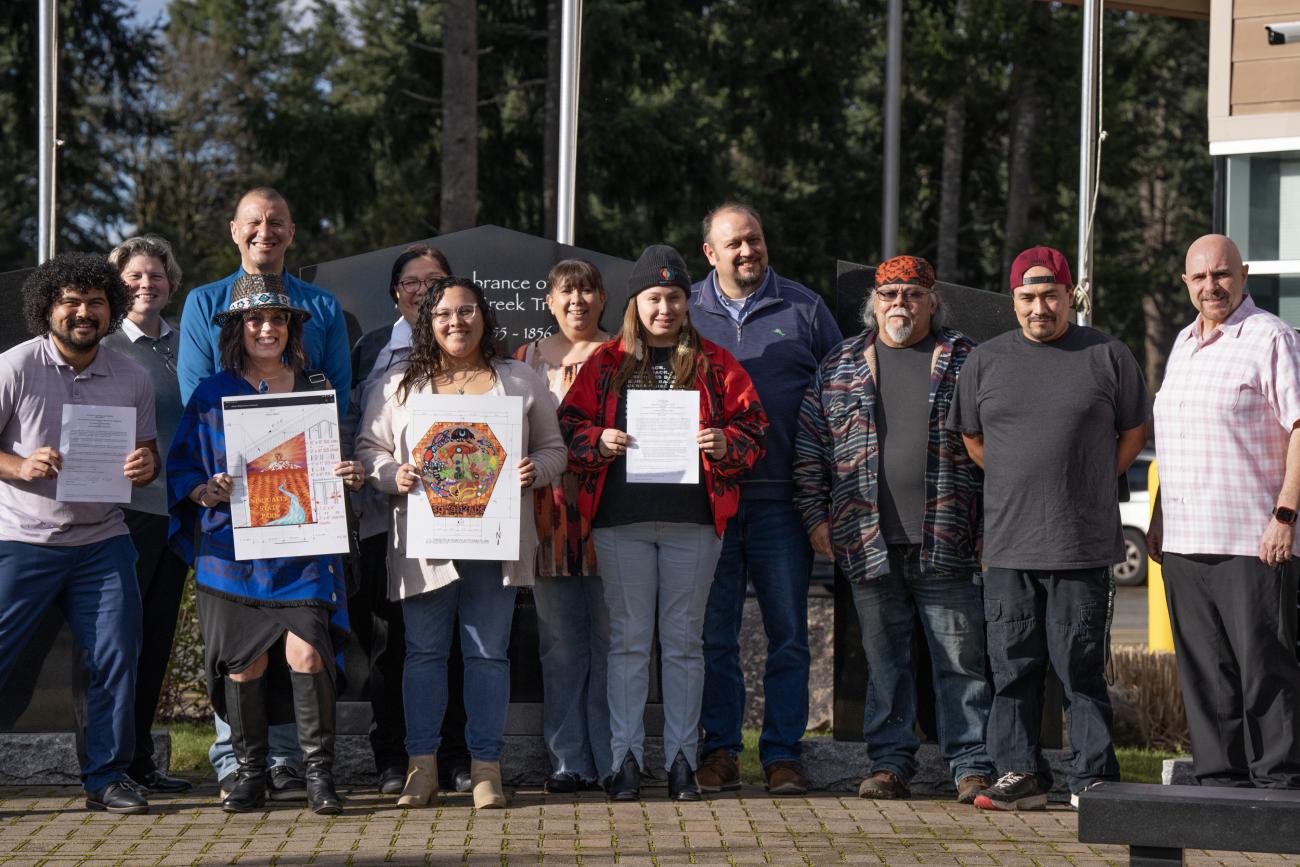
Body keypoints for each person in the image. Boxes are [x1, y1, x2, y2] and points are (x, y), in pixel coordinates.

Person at [560, 245, 768, 802]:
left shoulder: (716, 364)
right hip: (620, 522)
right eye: (654, 297)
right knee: (628, 643)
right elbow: (570, 425)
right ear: (636, 303)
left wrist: (726, 442)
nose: (665, 308)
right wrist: (597, 441)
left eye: (675, 297)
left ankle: (681, 760)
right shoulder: (605, 364)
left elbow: (755, 429)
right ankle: (625, 760)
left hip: (694, 525)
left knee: (683, 644)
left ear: (687, 301)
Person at [946, 246, 1148, 811]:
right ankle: (1020, 774)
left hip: (1082, 543)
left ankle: (1092, 778)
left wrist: (1089, 477)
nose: (1040, 308)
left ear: (1069, 297)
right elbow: (974, 439)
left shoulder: (1107, 354)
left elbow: (1134, 430)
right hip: (1009, 545)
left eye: (1050, 296)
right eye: (1028, 298)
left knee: (1080, 666)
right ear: (1014, 301)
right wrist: (1019, 479)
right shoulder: (985, 362)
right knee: (1013, 667)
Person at [355, 276, 567, 810]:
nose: (457, 322)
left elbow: (554, 450)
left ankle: (485, 767)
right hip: (427, 542)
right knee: (423, 653)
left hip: (494, 543)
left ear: (483, 317)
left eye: (467, 311)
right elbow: (368, 449)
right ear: (428, 322)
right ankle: (420, 767)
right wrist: (390, 474)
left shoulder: (517, 381)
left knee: (487, 654)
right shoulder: (400, 385)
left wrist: (533, 470)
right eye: (445, 314)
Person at [793, 255, 994, 804]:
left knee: (961, 662)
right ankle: (889, 764)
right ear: (873, 303)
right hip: (866, 540)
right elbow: (811, 447)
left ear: (933, 301)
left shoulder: (966, 359)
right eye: (889, 294)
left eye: (911, 293)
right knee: (886, 663)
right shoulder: (839, 364)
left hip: (948, 538)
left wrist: (989, 527)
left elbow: (997, 448)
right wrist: (816, 517)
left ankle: (972, 765)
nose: (899, 304)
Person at [177, 185, 351, 798]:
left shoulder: (317, 392)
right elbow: (185, 468)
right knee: (243, 662)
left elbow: (334, 443)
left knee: (308, 654)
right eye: (255, 319)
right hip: (236, 547)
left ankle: (315, 776)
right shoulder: (209, 394)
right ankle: (247, 773)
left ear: (293, 325)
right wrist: (204, 490)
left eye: (277, 318)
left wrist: (342, 474)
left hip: (301, 544)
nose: (267, 328)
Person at [689, 203, 842, 795]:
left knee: (788, 634)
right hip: (709, 501)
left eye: (754, 239)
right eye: (734, 244)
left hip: (784, 499)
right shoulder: (684, 311)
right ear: (711, 253)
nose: (747, 251)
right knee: (714, 635)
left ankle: (783, 755)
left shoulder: (804, 308)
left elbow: (840, 395)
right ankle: (721, 751)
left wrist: (826, 496)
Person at [0, 253, 158, 813]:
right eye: (70, 301)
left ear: (112, 310)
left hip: (102, 541)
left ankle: (107, 778)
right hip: (22, 539)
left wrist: (144, 466)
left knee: (116, 654)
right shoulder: (15, 367)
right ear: (47, 308)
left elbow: (148, 452)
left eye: (95, 302)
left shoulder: (132, 376)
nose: (83, 311)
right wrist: (18, 466)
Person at [1148, 233, 1300, 788]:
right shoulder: (1184, 343)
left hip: (1252, 539)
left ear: (1243, 276)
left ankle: (1281, 785)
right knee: (1206, 677)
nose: (1212, 286)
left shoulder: (1271, 338)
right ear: (1185, 283)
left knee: (1266, 668)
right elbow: (1178, 439)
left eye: (1222, 274)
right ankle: (1219, 787)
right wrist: (1160, 518)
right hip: (1186, 541)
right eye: (1200, 277)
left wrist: (1285, 516)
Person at [344, 245, 474, 795]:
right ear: (396, 293)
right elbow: (355, 427)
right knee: (391, 647)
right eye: (413, 282)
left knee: (456, 644)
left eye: (436, 280)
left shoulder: (476, 353)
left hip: (460, 521)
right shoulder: (372, 349)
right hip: (385, 522)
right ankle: (393, 756)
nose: (424, 290)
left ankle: (456, 756)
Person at [513, 259, 613, 793]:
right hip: (546, 517)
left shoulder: (626, 353)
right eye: (566, 293)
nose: (577, 301)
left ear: (603, 298)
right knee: (559, 643)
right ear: (549, 302)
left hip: (611, 519)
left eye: (588, 291)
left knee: (611, 641)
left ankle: (612, 756)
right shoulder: (525, 361)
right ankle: (569, 761)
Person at [100, 236, 192, 796]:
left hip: (177, 511)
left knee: (156, 637)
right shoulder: (105, 346)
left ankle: (139, 761)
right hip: (124, 513)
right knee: (119, 640)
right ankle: (108, 766)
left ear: (170, 282)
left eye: (155, 276)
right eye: (134, 276)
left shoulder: (189, 342)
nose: (145, 285)